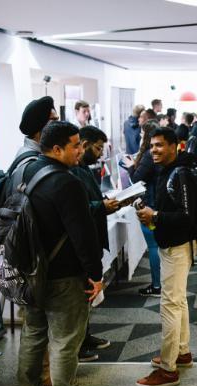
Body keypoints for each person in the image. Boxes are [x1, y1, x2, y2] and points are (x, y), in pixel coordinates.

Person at [18, 121, 104, 386]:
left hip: (31, 272)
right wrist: (96, 274)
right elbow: (83, 235)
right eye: (75, 145)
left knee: (33, 332)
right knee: (66, 341)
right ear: (56, 149)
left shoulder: (28, 171)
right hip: (64, 276)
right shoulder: (68, 183)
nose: (81, 150)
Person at [135, 127, 197, 386]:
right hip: (173, 244)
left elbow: (187, 216)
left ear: (176, 146)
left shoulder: (181, 174)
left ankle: (168, 368)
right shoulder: (169, 171)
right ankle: (181, 352)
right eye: (152, 145)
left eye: (160, 145)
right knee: (178, 300)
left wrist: (156, 216)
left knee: (170, 304)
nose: (154, 150)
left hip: (177, 245)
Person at [70, 126, 119, 361]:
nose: (100, 153)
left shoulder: (83, 169)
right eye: (98, 148)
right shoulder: (69, 172)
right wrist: (101, 207)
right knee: (79, 295)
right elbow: (75, 210)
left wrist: (103, 203)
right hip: (80, 243)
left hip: (92, 238)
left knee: (87, 292)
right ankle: (77, 345)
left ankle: (85, 335)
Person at [123, 120, 163, 297]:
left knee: (153, 246)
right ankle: (159, 284)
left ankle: (156, 286)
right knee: (156, 246)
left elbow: (138, 179)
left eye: (141, 135)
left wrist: (131, 167)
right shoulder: (155, 154)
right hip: (155, 203)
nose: (139, 137)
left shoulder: (148, 155)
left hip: (149, 204)